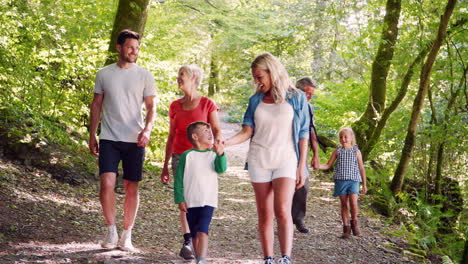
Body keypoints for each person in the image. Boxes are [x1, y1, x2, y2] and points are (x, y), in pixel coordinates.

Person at [225, 52, 310, 264]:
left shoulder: (297, 97)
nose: (256, 81)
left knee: (282, 210)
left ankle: (285, 257)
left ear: (272, 73)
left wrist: (301, 167)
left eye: (259, 76)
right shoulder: (255, 100)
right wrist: (224, 144)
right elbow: (246, 132)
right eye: (254, 77)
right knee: (264, 213)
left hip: (286, 160)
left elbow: (303, 135)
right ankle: (268, 258)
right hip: (259, 160)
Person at [89, 29, 156, 251]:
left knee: (131, 187)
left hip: (134, 139)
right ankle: (111, 231)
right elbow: (97, 104)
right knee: (106, 183)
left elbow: (151, 107)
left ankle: (127, 234)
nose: (134, 51)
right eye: (129, 47)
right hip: (109, 137)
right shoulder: (104, 74)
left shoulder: (144, 75)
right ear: (119, 48)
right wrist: (92, 134)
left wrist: (147, 130)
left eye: (136, 48)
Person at [160, 64, 221, 259]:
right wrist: (165, 164)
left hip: (202, 160)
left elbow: (217, 129)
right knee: (185, 199)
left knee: (199, 197)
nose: (178, 78)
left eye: (182, 75)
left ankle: (199, 234)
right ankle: (187, 240)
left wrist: (217, 147)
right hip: (180, 158)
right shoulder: (175, 106)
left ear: (193, 77)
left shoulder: (207, 104)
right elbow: (171, 136)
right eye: (178, 74)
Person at [174, 121, 227, 264]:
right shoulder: (187, 155)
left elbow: (221, 169)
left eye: (210, 130)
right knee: (194, 233)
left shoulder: (213, 154)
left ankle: (202, 259)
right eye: (205, 130)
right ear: (195, 136)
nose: (210, 133)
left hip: (208, 200)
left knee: (203, 230)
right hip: (191, 201)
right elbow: (179, 178)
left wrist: (221, 154)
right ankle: (198, 258)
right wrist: (179, 198)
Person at [317, 127, 367, 238]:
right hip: (340, 181)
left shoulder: (356, 151)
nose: (343, 139)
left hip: (354, 180)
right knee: (344, 204)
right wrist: (318, 166)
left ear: (351, 138)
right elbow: (328, 165)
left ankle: (354, 222)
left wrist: (364, 184)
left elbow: (361, 168)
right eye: (341, 137)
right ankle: (346, 228)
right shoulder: (338, 151)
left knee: (353, 203)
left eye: (345, 137)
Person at [291, 77, 320, 233]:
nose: (309, 97)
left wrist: (315, 154)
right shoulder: (288, 104)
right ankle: (285, 219)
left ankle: (298, 218)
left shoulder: (309, 108)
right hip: (286, 149)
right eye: (307, 93)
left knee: (303, 186)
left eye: (311, 94)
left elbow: (311, 131)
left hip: (301, 151)